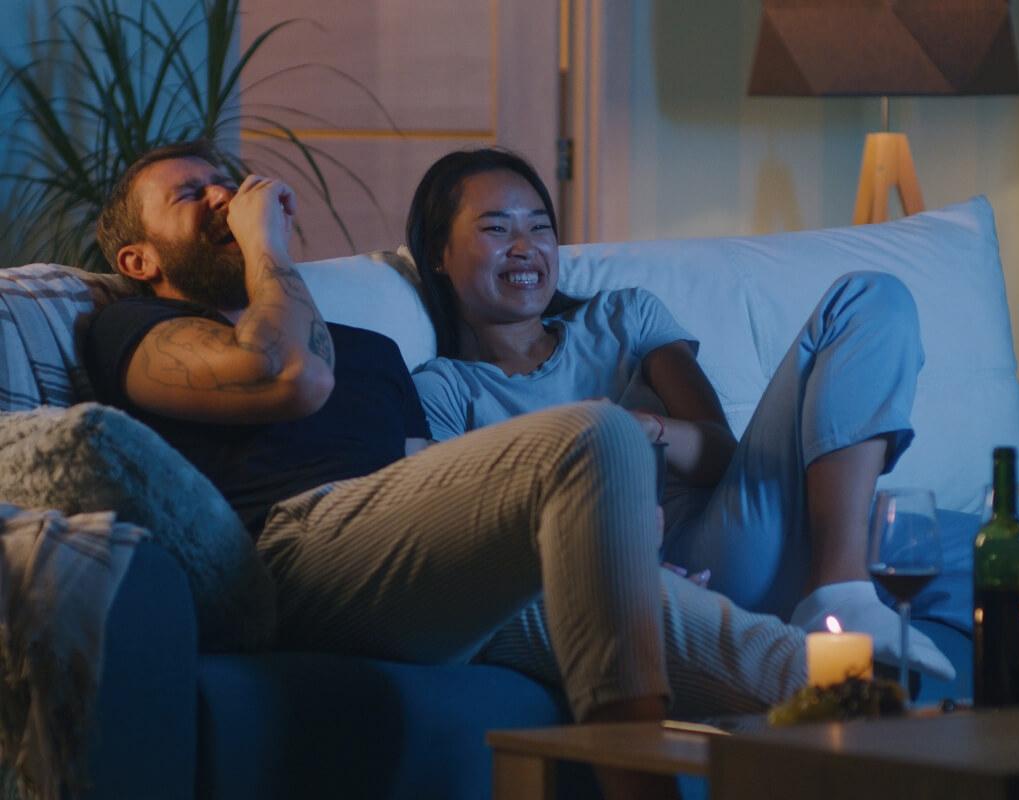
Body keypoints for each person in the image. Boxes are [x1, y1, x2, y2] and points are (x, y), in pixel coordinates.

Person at [83, 140, 840, 800]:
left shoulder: (365, 348)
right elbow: (289, 378)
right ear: (137, 259)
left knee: (797, 673)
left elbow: (432, 482)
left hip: (412, 563)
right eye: (191, 194)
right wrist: (268, 252)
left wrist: (607, 548)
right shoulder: (138, 327)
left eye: (228, 183)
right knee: (597, 434)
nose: (222, 197)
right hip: (294, 551)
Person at [408, 148, 1019, 686]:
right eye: (496, 229)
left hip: (742, 522)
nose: (525, 246)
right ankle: (842, 589)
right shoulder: (445, 390)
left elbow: (721, 456)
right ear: (439, 253)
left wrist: (644, 431)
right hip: (671, 569)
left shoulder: (622, 317)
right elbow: (461, 540)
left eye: (539, 226)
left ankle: (846, 588)